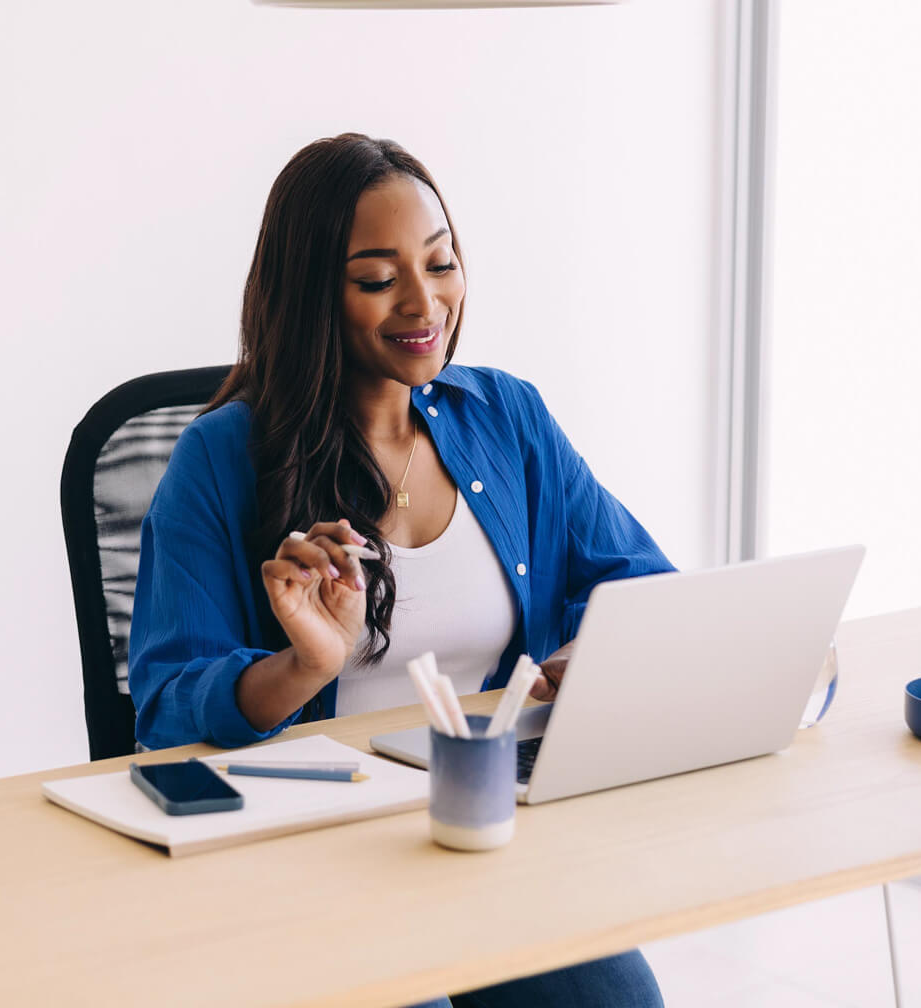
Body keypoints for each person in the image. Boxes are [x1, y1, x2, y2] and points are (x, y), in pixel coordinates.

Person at [127, 133, 673, 1007]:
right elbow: (163, 707)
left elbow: (639, 579)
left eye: (442, 262)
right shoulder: (221, 458)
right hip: (317, 850)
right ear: (313, 295)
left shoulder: (507, 416)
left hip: (483, 830)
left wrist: (591, 654)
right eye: (378, 279)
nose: (425, 302)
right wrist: (301, 665)